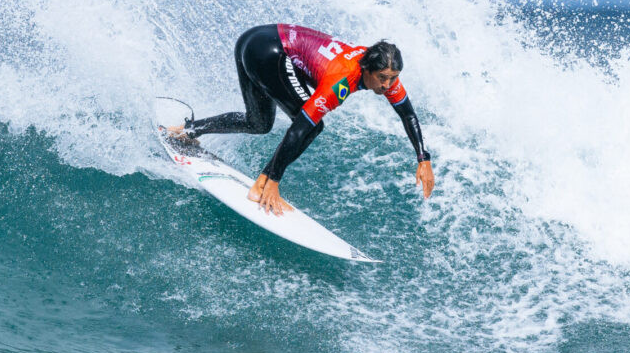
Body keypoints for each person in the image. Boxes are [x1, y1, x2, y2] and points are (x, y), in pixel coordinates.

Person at [168, 24, 435, 215]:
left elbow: (407, 114)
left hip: (254, 40)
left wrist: (423, 158)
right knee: (313, 125)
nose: (388, 85)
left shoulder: (385, 73)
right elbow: (300, 128)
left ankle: (186, 131)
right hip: (269, 52)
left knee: (258, 123)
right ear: (367, 70)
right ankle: (263, 185)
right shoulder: (341, 82)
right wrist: (274, 178)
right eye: (383, 79)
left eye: (393, 78)